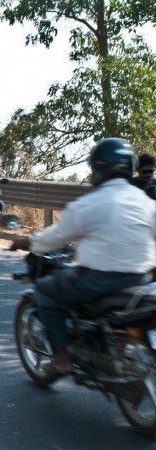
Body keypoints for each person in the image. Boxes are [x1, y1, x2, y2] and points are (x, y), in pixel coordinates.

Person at [11, 138, 156, 373]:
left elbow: (56, 236)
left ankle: (61, 357)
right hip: (141, 281)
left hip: (96, 281)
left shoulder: (88, 204)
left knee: (46, 290)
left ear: (98, 168)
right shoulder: (147, 203)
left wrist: (28, 241)